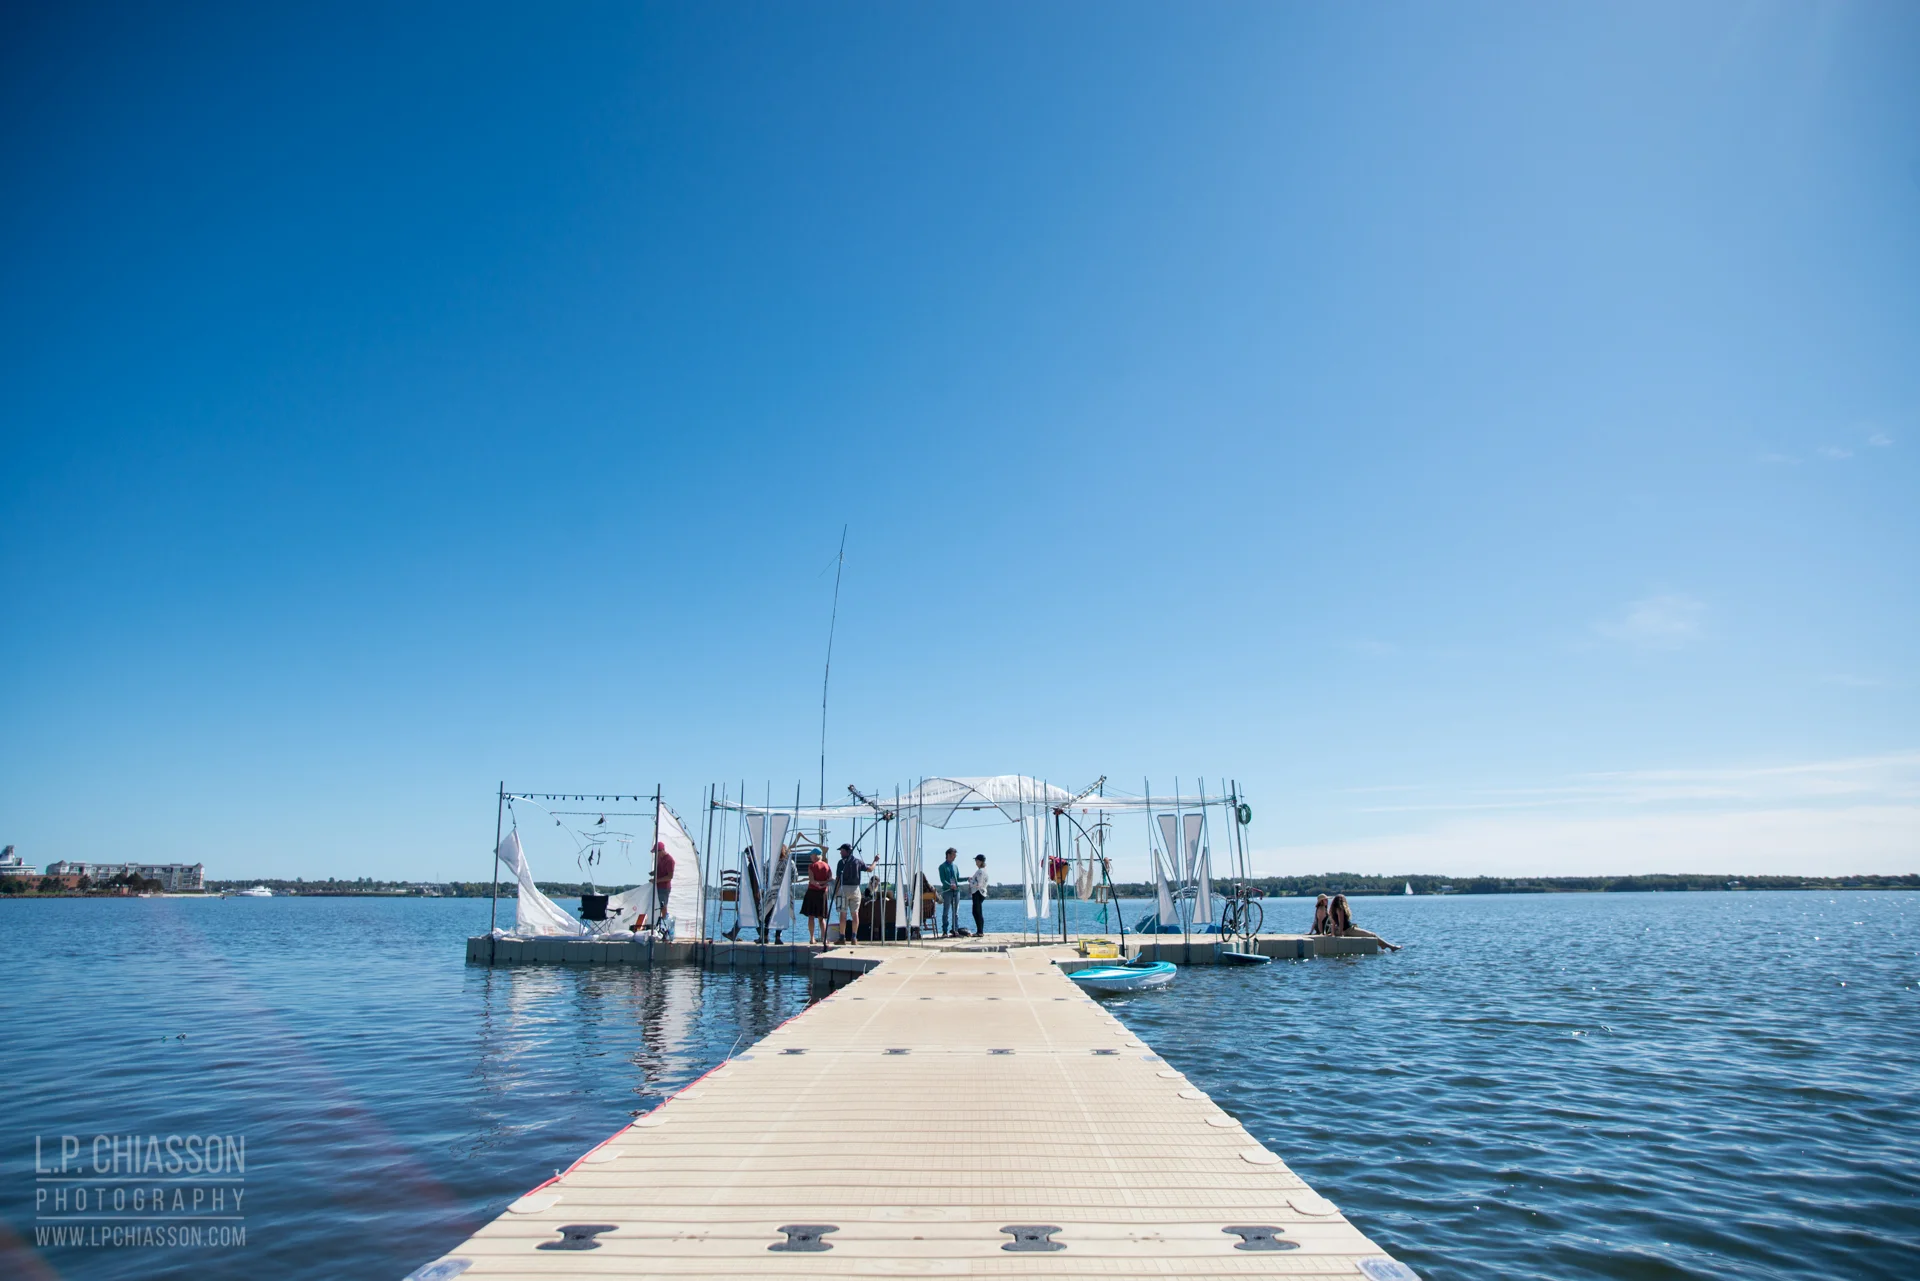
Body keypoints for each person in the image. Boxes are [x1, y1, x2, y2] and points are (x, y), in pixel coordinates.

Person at [834, 843, 870, 944]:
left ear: (847, 851)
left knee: (843, 914)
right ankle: (854, 937)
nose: (840, 853)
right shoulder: (858, 862)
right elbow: (870, 869)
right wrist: (875, 861)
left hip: (844, 888)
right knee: (855, 914)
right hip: (855, 889)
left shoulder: (841, 863)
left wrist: (836, 891)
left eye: (842, 851)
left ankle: (842, 937)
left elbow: (838, 879)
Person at [801, 850, 832, 944]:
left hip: (812, 892)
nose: (810, 857)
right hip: (822, 893)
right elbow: (830, 879)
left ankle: (812, 938)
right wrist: (823, 885)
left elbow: (812, 880)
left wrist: (818, 884)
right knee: (821, 917)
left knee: (811, 916)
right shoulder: (827, 866)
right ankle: (824, 938)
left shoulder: (812, 866)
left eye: (811, 855)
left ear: (815, 856)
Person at [937, 848, 961, 936]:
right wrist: (950, 885)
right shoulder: (942, 867)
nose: (954, 857)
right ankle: (944, 931)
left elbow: (957, 879)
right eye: (953, 855)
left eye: (955, 855)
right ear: (948, 855)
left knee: (956, 912)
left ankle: (955, 929)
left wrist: (967, 878)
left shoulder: (955, 866)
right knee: (946, 912)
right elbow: (943, 880)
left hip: (956, 891)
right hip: (947, 892)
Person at [651, 840, 675, 925]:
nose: (655, 854)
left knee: (663, 905)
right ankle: (656, 922)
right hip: (657, 886)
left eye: (656, 852)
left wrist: (657, 880)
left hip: (664, 887)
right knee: (656, 905)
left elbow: (670, 876)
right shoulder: (659, 858)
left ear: (661, 850)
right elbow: (659, 869)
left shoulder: (670, 860)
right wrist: (654, 872)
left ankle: (665, 923)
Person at [967, 853, 989, 939]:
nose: (975, 862)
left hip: (978, 892)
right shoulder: (984, 870)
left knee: (977, 912)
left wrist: (970, 881)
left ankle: (980, 931)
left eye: (976, 860)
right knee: (976, 912)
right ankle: (979, 931)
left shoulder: (980, 871)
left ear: (980, 861)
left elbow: (978, 884)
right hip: (981, 892)